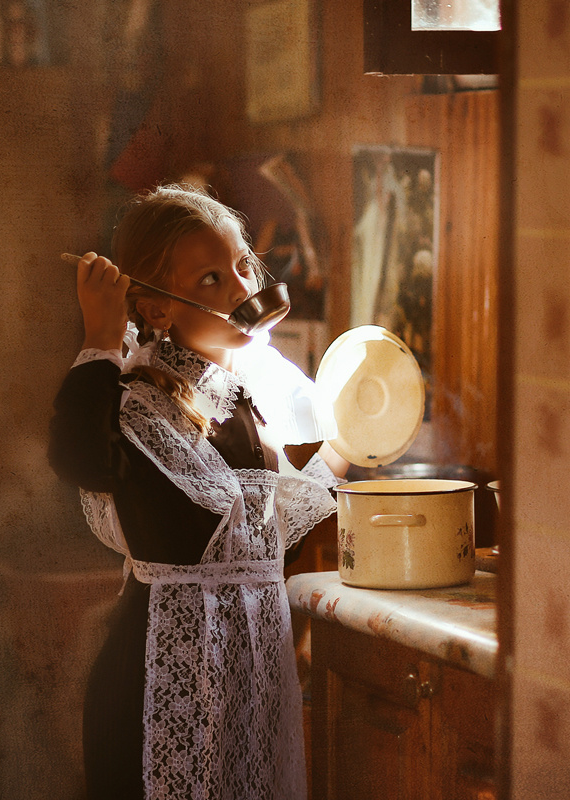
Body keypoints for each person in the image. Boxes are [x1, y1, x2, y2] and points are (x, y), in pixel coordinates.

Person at [48, 184, 348, 800]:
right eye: (212, 279)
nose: (242, 290)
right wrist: (102, 335)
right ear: (158, 311)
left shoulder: (245, 403)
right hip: (159, 693)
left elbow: (253, 554)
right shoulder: (136, 404)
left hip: (248, 688)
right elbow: (77, 455)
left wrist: (355, 442)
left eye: (242, 265)